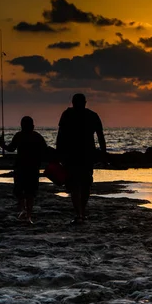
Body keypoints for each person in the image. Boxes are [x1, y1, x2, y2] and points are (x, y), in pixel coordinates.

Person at [56, 93, 107, 224]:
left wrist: (58, 153)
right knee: (82, 185)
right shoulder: (90, 115)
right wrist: (103, 153)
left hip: (78, 155)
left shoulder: (69, 114)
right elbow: (101, 137)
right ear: (85, 102)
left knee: (78, 185)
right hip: (80, 155)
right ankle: (81, 213)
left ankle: (80, 213)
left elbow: (60, 136)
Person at [0, 116, 48, 223]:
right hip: (32, 168)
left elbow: (11, 148)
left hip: (21, 168)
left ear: (22, 126)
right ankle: (28, 214)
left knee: (20, 191)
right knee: (30, 192)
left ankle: (24, 211)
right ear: (32, 126)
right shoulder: (37, 137)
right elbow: (45, 151)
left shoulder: (19, 136)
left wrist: (3, 145)